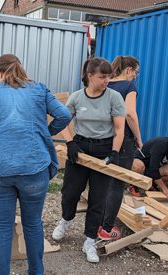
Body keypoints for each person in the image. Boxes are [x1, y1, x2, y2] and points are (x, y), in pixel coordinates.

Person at [0, 54, 71, 275]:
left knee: (3, 227)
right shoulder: (39, 89)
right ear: (21, 68)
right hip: (34, 168)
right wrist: (44, 133)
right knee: (32, 225)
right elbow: (63, 115)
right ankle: (36, 272)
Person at [52, 57, 126, 263]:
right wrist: (70, 142)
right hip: (80, 148)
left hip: (104, 149)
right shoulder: (76, 97)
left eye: (109, 76)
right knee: (70, 192)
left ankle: (90, 240)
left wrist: (114, 152)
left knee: (98, 198)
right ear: (89, 76)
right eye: (102, 77)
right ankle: (66, 220)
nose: (107, 80)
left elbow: (119, 129)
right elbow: (63, 122)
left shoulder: (114, 97)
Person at [99, 56, 143, 239]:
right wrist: (138, 138)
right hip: (122, 140)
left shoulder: (105, 84)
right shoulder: (128, 87)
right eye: (136, 72)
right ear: (129, 70)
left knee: (102, 184)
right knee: (117, 184)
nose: (135, 77)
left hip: (101, 139)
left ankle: (97, 224)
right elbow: (130, 113)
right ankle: (106, 229)